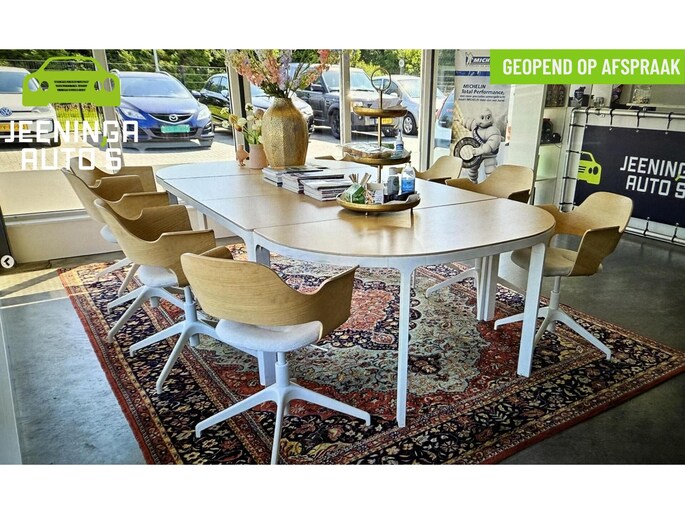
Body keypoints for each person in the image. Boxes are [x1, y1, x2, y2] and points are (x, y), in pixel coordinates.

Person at [461, 107, 502, 182]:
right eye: (482, 117)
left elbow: (491, 144)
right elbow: (469, 123)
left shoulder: (493, 131)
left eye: (488, 117)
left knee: (490, 172)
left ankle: (490, 186)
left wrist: (481, 150)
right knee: (472, 171)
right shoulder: (475, 126)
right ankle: (472, 184)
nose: (485, 120)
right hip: (476, 153)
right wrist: (462, 121)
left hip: (489, 155)